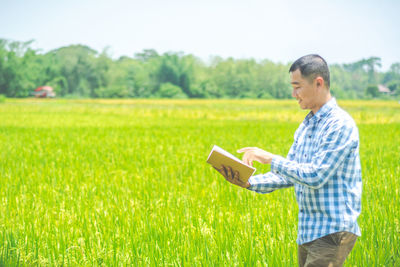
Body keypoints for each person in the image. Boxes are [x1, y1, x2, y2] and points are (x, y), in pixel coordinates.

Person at [215, 54, 362, 267]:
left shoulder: (339, 125)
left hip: (333, 231)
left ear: (318, 83)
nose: (294, 94)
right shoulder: (307, 126)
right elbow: (288, 174)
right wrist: (248, 182)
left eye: (297, 86)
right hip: (308, 231)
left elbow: (315, 176)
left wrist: (269, 158)